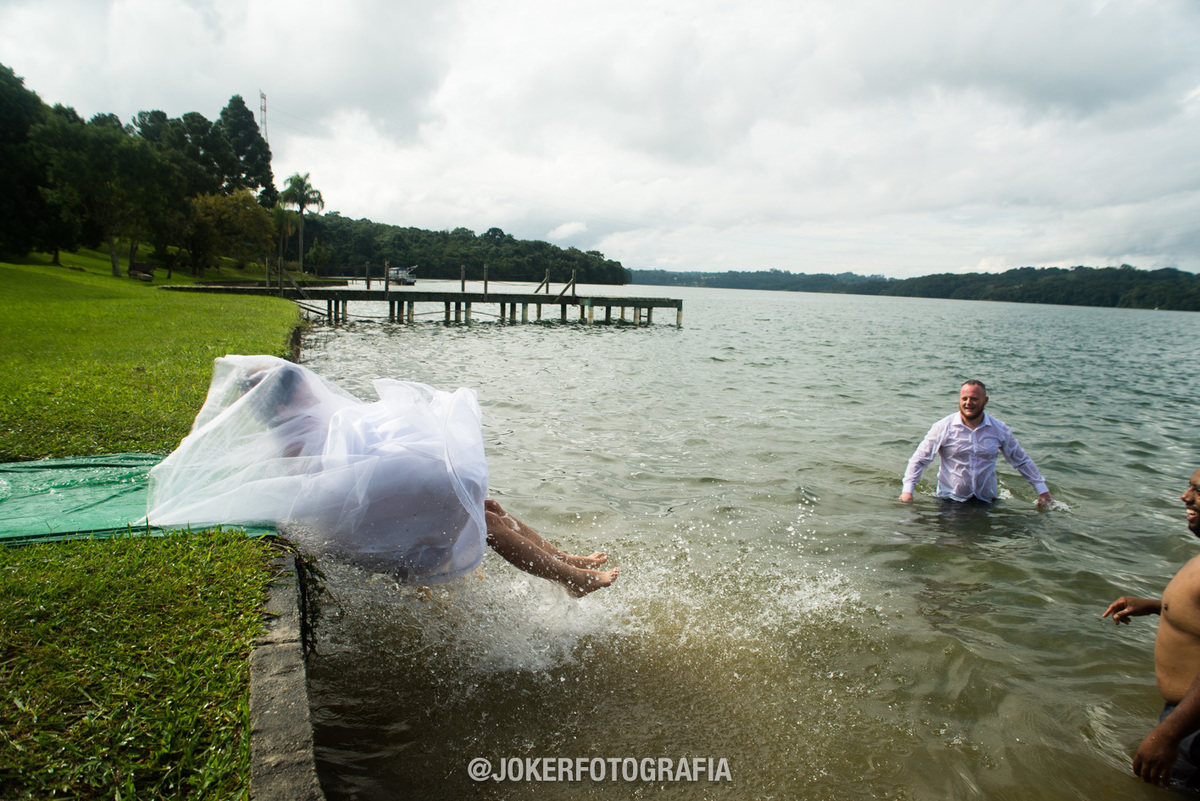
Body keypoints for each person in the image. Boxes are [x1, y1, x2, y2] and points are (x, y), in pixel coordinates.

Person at [146, 355, 618, 596]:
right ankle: (568, 578)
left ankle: (564, 559)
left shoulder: (298, 426)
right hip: (360, 532)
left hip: (367, 514)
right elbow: (312, 495)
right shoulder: (292, 438)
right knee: (483, 518)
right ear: (290, 399)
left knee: (486, 507)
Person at [1103, 468, 1200, 787]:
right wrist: (1161, 608)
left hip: (1191, 725)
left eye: (1198, 491)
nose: (1186, 497)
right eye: (1189, 486)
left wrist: (1168, 733)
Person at [899, 379, 1053, 508]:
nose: (968, 403)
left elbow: (1021, 460)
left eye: (974, 399)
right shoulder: (943, 427)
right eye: (964, 398)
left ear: (985, 401)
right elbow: (919, 460)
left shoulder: (999, 429)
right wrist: (907, 491)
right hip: (950, 501)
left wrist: (1043, 492)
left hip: (987, 501)